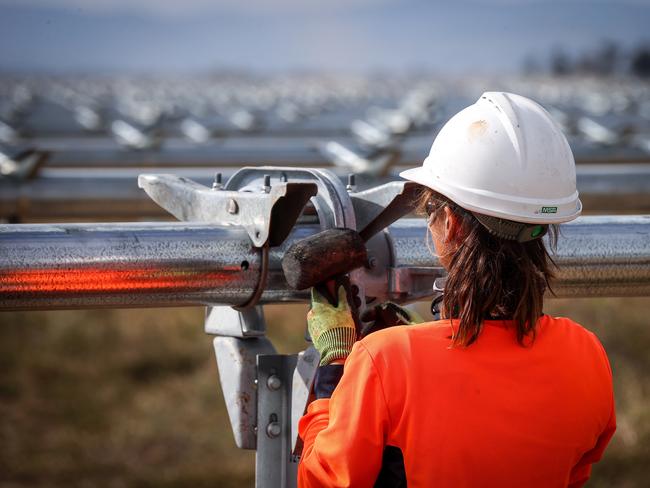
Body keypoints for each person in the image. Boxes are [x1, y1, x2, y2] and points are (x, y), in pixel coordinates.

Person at [297, 92, 616, 487]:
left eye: (430, 211)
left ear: (451, 223)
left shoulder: (383, 362)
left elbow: (323, 479)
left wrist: (336, 366)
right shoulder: (586, 355)